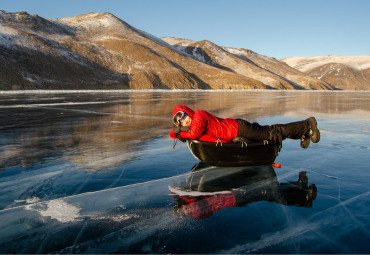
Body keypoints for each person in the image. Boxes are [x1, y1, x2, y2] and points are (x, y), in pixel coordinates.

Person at [169, 105, 320, 149]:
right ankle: (303, 133)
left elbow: (194, 134)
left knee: (272, 132)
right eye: (179, 122)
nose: (183, 122)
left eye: (182, 116)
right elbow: (181, 133)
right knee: (270, 132)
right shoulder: (193, 122)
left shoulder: (199, 115)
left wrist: (179, 131)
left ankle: (308, 125)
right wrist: (176, 132)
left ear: (187, 112)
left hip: (239, 128)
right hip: (235, 131)